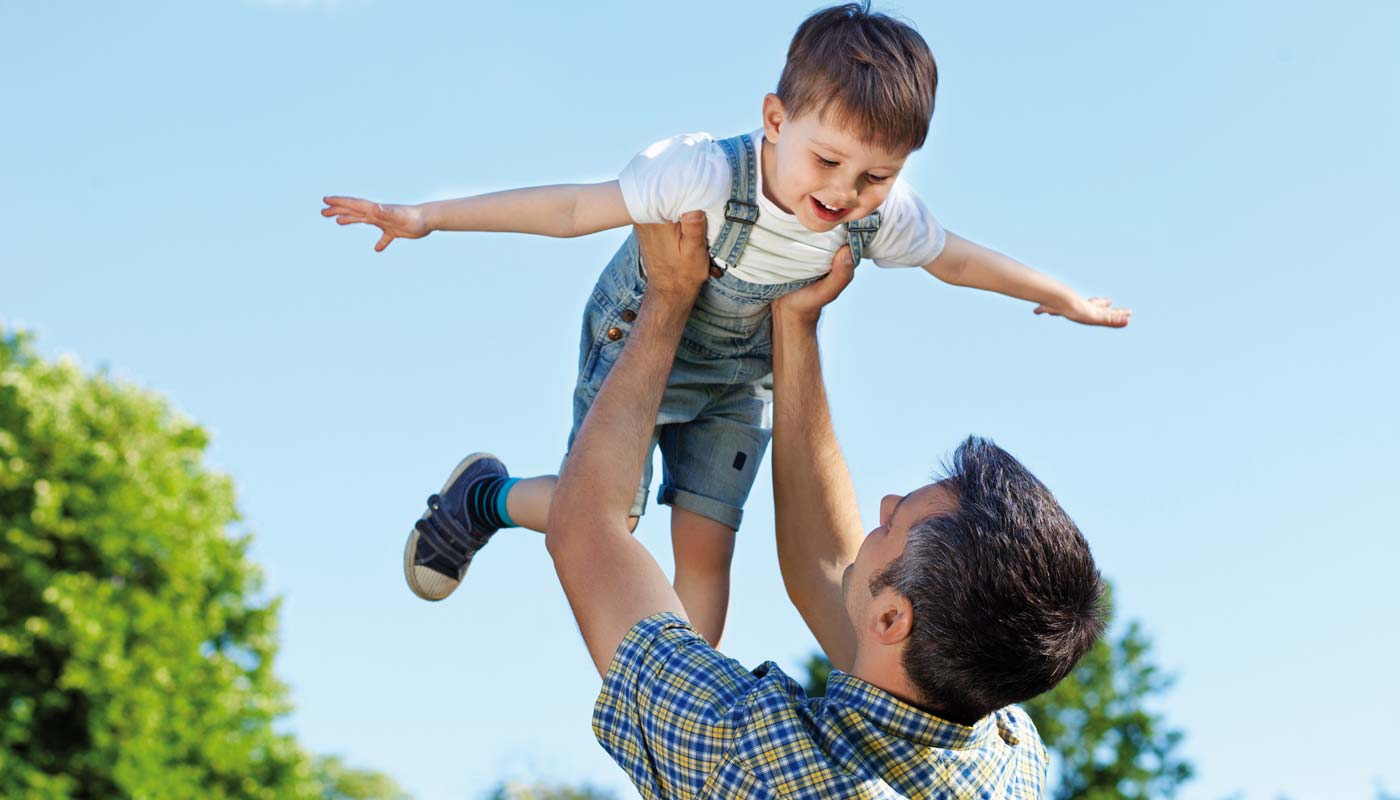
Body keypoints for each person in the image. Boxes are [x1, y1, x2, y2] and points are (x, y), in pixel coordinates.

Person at [322, 2, 1129, 646]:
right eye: (829, 162)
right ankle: (483, 499)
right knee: (611, 513)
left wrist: (1062, 296)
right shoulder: (702, 173)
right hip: (643, 334)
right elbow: (572, 209)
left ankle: (687, 716)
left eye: (877, 176)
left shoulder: (880, 218)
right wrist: (426, 215)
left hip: (743, 376)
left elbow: (956, 258)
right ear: (775, 120)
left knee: (709, 545)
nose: (846, 192)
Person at [480, 214, 1102, 798]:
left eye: (894, 523)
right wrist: (795, 324)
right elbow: (829, 568)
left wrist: (667, 298)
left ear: (892, 621)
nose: (882, 504)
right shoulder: (1005, 756)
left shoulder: (760, 764)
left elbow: (586, 530)